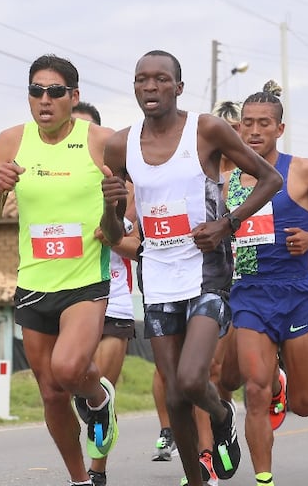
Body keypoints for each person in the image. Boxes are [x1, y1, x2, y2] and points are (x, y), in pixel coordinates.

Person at [102, 50, 282, 486]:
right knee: (178, 396)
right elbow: (111, 231)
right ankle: (197, 480)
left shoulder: (205, 129)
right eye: (142, 79)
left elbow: (269, 179)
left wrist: (226, 224)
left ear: (178, 87)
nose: (150, 87)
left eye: (161, 79)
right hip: (158, 276)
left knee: (190, 377)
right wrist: (110, 205)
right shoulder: (119, 145)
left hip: (206, 272)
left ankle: (221, 416)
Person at [0, 55, 121, 486]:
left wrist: (115, 211)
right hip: (34, 282)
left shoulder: (101, 141)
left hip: (84, 282)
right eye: (36, 91)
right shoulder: (10, 141)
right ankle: (80, 480)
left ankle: (98, 397)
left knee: (67, 368)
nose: (45, 99)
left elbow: (126, 212)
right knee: (51, 393)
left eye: (55, 92)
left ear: (73, 97)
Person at [223, 81, 308, 486]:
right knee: (256, 391)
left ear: (280, 129)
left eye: (264, 124)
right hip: (249, 295)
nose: (255, 131)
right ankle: (264, 478)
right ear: (239, 130)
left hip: (295, 293)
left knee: (304, 404)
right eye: (248, 124)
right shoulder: (228, 182)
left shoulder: (301, 170)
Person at [150, 98, 242, 470]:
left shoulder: (244, 179)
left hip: (233, 282)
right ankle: (203, 456)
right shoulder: (188, 174)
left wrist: (228, 225)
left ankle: (223, 419)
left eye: (235, 131)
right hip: (177, 281)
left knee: (216, 374)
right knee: (184, 380)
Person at [71, 102, 141, 486]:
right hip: (66, 297)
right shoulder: (55, 185)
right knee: (78, 388)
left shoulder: (126, 186)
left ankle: (96, 473)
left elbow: (130, 237)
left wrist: (113, 233)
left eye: (86, 133)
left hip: (112, 295)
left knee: (103, 392)